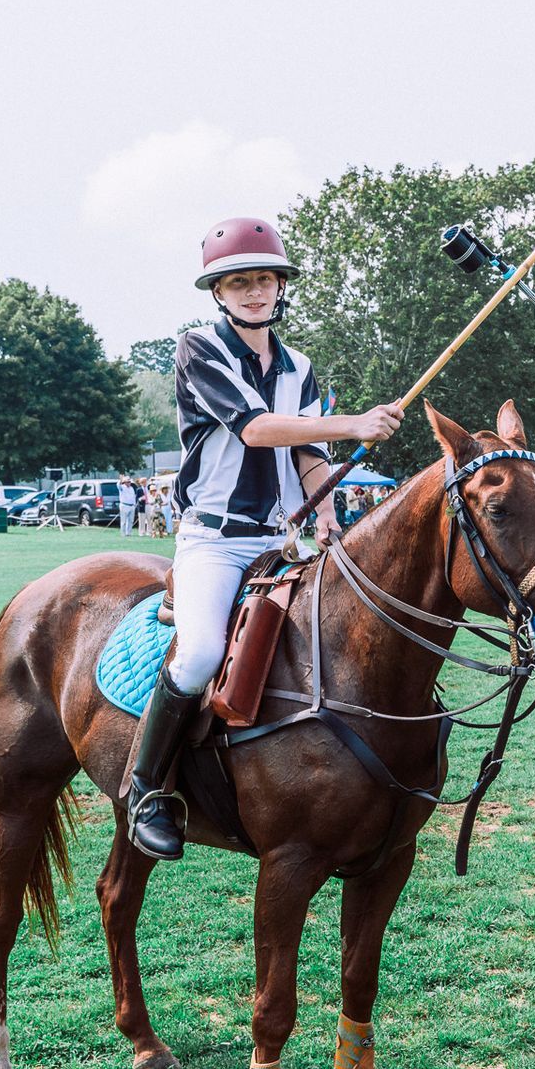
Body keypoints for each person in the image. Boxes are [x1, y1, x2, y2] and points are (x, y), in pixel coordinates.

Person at [123, 217, 403, 862]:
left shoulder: (298, 365)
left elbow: (305, 446)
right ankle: (146, 789)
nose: (254, 293)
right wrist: (356, 421)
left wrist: (327, 500)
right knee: (197, 657)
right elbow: (253, 429)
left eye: (265, 280)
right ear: (218, 293)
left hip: (280, 537)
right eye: (239, 282)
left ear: (282, 288)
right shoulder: (200, 349)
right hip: (215, 540)